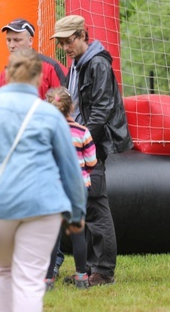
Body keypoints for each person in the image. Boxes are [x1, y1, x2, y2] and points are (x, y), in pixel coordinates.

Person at [0, 49, 86, 311]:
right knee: (30, 279)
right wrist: (77, 213)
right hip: (44, 205)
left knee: (2, 272)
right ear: (39, 78)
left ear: (6, 74)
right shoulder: (50, 116)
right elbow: (71, 169)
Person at [52, 14, 133, 286]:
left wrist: (78, 138)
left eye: (68, 41)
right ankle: (85, 270)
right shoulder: (77, 64)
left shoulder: (97, 64)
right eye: (61, 43)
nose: (65, 47)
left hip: (91, 145)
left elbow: (101, 110)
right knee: (83, 207)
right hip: (78, 142)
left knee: (96, 207)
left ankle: (103, 272)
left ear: (82, 35)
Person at [43, 86, 97, 291]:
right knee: (77, 233)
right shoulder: (83, 132)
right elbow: (91, 162)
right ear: (71, 106)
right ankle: (82, 277)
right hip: (77, 188)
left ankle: (47, 280)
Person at [0, 18, 68, 99]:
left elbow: (64, 102)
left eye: (17, 40)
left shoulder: (50, 67)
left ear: (30, 41)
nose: (12, 45)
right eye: (8, 40)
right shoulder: (4, 75)